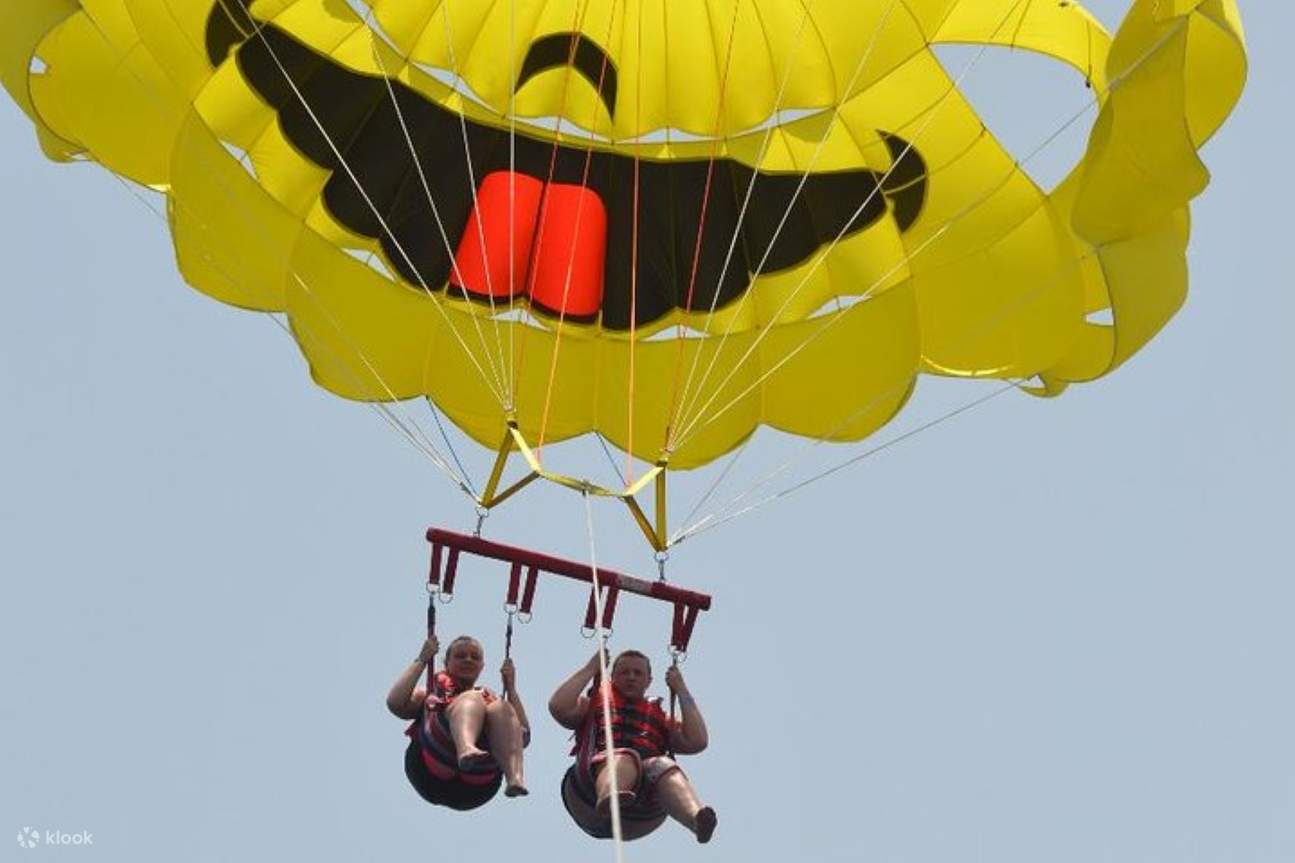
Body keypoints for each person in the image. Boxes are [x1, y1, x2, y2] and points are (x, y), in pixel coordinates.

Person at [549, 649, 717, 843]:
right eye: (624, 672)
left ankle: (696, 820)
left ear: (649, 681)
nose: (631, 677)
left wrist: (681, 689)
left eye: (637, 673)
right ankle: (609, 796)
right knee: (625, 757)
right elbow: (558, 706)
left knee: (664, 766)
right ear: (612, 677)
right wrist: (591, 668)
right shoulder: (594, 704)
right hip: (588, 795)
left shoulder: (660, 719)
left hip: (639, 811)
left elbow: (697, 741)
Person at [386, 635, 529, 810]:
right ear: (447, 663)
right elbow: (396, 704)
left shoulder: (490, 702)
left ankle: (514, 777)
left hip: (478, 787)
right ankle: (466, 748)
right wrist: (422, 659)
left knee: (500, 707)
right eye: (460, 656)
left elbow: (524, 736)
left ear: (482, 666)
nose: (468, 659)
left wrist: (511, 690)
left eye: (474, 657)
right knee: (472, 698)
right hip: (429, 773)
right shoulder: (431, 694)